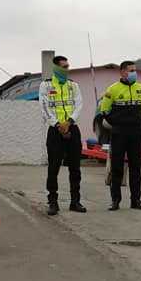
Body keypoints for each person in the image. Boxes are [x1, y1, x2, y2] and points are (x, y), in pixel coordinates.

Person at [39, 55, 85, 216]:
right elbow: (44, 107)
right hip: (55, 131)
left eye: (68, 66)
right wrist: (58, 125)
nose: (67, 69)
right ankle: (53, 202)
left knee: (75, 168)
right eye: (64, 66)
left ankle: (75, 201)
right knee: (53, 168)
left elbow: (79, 105)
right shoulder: (46, 85)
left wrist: (69, 122)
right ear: (56, 68)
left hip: (72, 128)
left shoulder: (73, 85)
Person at [99, 60, 141, 210]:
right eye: (131, 70)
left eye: (135, 70)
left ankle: (136, 200)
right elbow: (104, 110)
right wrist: (117, 123)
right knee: (117, 167)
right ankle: (115, 200)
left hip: (136, 133)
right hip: (119, 132)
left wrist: (136, 122)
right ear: (122, 72)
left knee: (136, 168)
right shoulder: (112, 89)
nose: (134, 73)